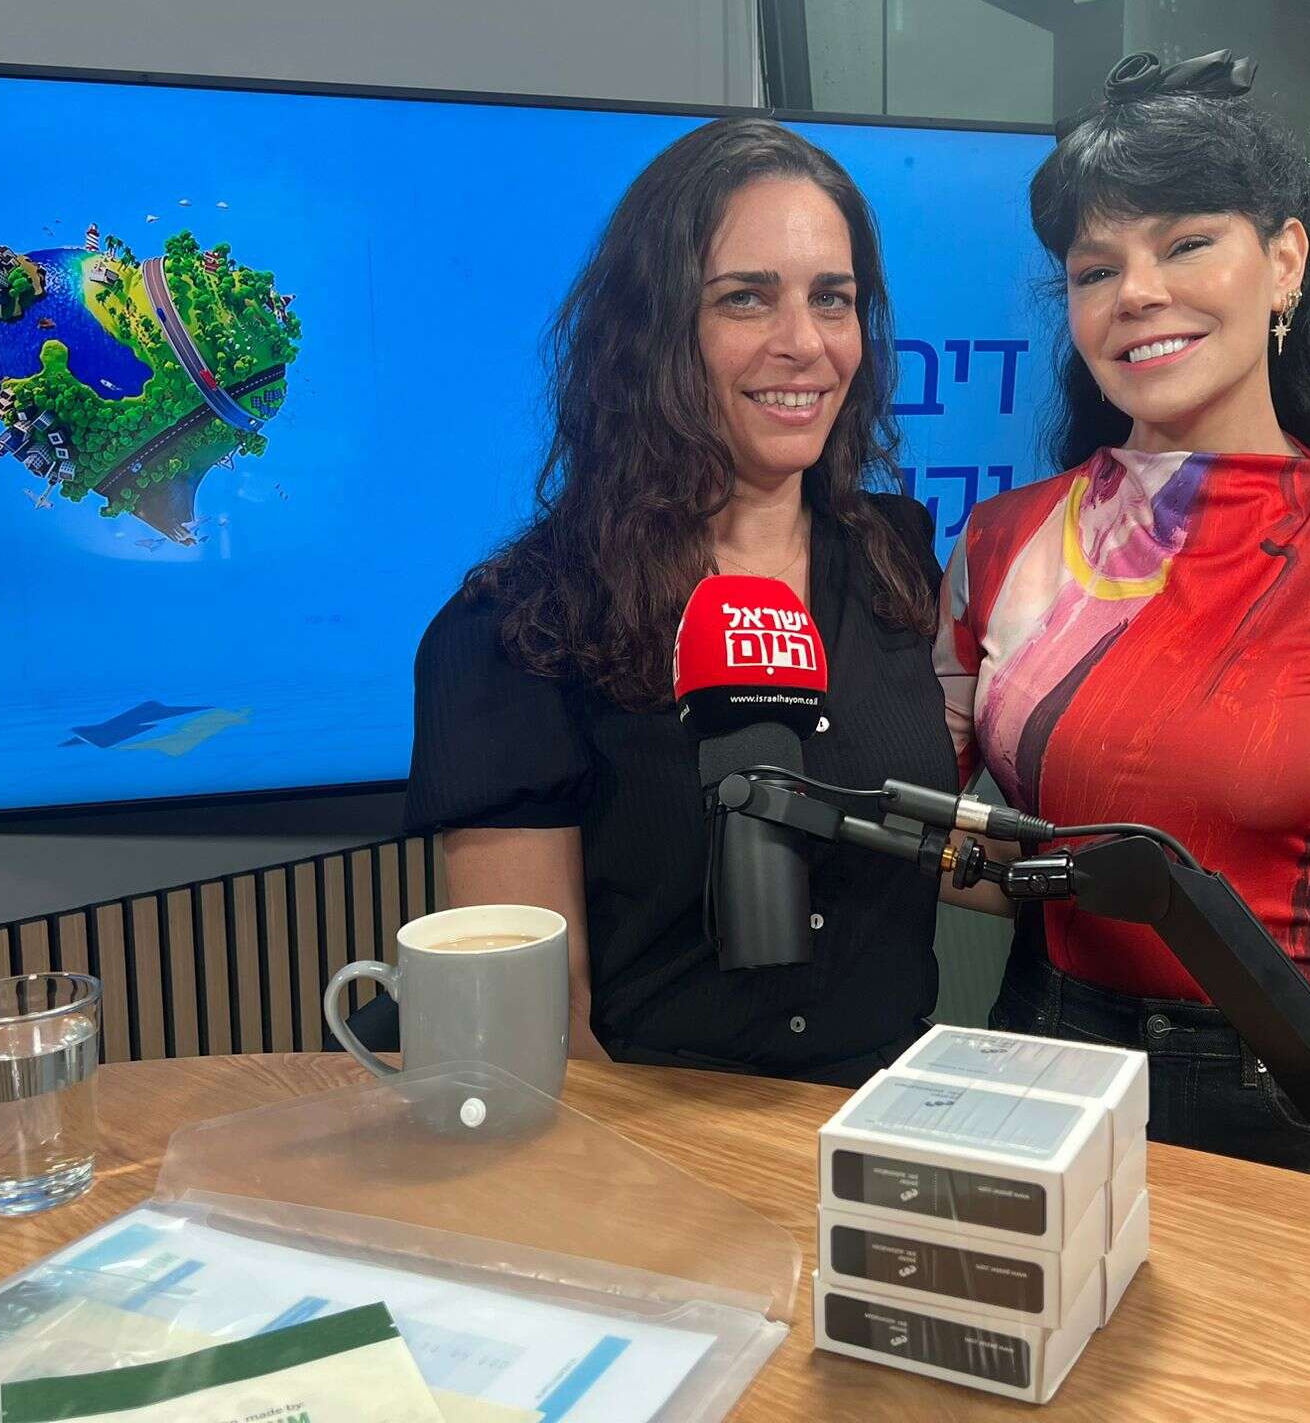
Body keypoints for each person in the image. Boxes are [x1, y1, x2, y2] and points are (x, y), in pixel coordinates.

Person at [935, 53, 1310, 1210]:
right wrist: (1054, 877)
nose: (1137, 292)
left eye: (1186, 242)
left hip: (1303, 1084)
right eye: (1095, 268)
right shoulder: (999, 546)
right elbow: (922, 829)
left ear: (1283, 260)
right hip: (1048, 1054)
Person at [394, 117, 955, 1085]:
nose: (804, 344)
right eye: (745, 299)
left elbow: (929, 845)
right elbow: (540, 1032)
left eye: (832, 299)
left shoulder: (896, 556)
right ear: (651, 333)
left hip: (893, 1116)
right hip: (654, 1132)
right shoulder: (521, 625)